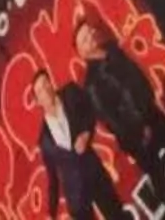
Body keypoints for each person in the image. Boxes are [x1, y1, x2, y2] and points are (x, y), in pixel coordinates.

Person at [72, 14, 165, 196]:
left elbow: (135, 76)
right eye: (84, 39)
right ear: (81, 52)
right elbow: (110, 118)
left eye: (89, 32)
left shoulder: (112, 50)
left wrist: (148, 102)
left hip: (150, 112)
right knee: (159, 177)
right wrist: (139, 130)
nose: (91, 36)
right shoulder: (91, 84)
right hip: (137, 136)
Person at [31, 64, 121, 220]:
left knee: (117, 215)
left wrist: (86, 134)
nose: (45, 90)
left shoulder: (70, 93)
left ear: (51, 83)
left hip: (95, 174)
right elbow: (53, 177)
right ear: (37, 101)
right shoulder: (44, 140)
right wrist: (51, 213)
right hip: (76, 197)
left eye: (46, 83)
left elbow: (91, 110)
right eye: (40, 91)